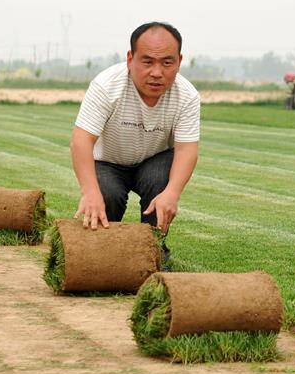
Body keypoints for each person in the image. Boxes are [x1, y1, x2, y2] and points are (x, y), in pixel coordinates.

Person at [70, 22, 200, 267]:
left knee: (161, 184)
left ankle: (153, 251)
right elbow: (81, 140)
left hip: (154, 162)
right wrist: (90, 192)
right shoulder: (106, 86)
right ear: (130, 58)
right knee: (107, 195)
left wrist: (172, 194)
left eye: (167, 62)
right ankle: (101, 254)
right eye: (148, 61)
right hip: (108, 162)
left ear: (180, 61)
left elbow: (186, 150)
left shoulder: (187, 95)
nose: (157, 72)